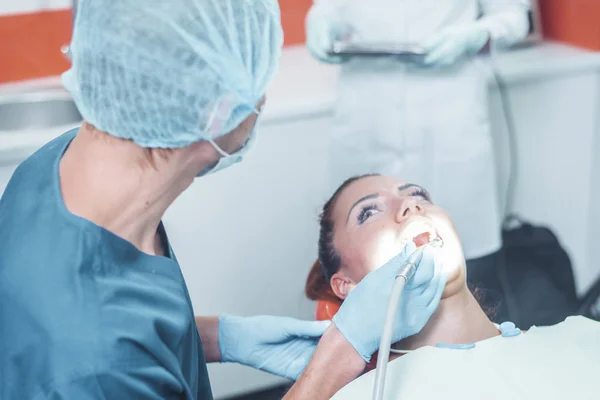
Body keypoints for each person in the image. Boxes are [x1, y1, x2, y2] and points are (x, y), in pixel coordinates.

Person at [0, 1, 447, 399]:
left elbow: (123, 325)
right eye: (258, 79)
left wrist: (220, 338)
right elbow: (105, 350)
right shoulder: (91, 370)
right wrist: (335, 360)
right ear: (214, 111)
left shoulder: (60, 168)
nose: (264, 98)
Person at [305, 174, 600, 399]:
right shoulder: (369, 395)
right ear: (348, 285)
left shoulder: (582, 338)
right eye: (368, 212)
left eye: (418, 194)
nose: (410, 204)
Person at [305, 1, 531, 271]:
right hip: (367, 110)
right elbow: (331, 8)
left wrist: (478, 34)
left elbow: (513, 15)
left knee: (461, 272)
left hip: (446, 110)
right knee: (359, 266)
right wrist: (321, 20)